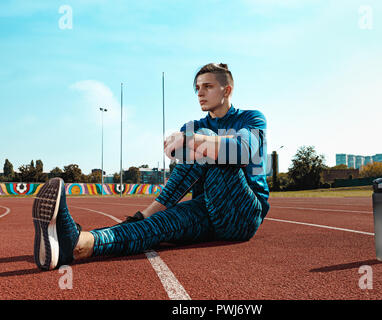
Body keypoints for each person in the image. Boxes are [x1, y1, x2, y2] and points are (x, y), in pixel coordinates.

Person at [32, 63, 270, 270]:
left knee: (206, 139)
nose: (200, 93)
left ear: (226, 90)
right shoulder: (194, 124)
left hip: (244, 214)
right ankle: (76, 244)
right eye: (197, 88)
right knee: (158, 227)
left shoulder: (251, 119)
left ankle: (146, 213)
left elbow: (243, 151)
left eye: (207, 86)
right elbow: (176, 154)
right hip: (208, 209)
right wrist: (185, 141)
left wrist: (191, 139)